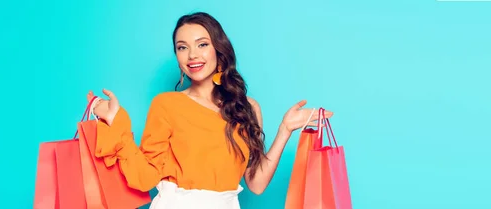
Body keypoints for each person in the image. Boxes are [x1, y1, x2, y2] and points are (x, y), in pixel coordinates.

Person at [86, 12, 333, 209]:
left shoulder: (246, 108)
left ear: (218, 49)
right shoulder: (167, 105)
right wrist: (116, 120)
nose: (192, 55)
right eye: (182, 47)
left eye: (202, 44)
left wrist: (285, 130)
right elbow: (145, 178)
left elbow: (256, 184)